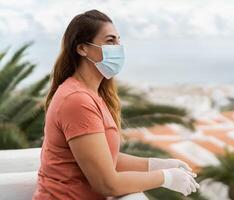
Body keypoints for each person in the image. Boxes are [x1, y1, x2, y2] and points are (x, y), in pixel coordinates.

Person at [32, 9, 199, 200]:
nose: (118, 47)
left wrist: (158, 164)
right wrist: (166, 178)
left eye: (118, 40)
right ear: (82, 48)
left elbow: (105, 158)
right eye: (110, 41)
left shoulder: (90, 94)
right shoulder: (77, 100)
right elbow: (107, 184)